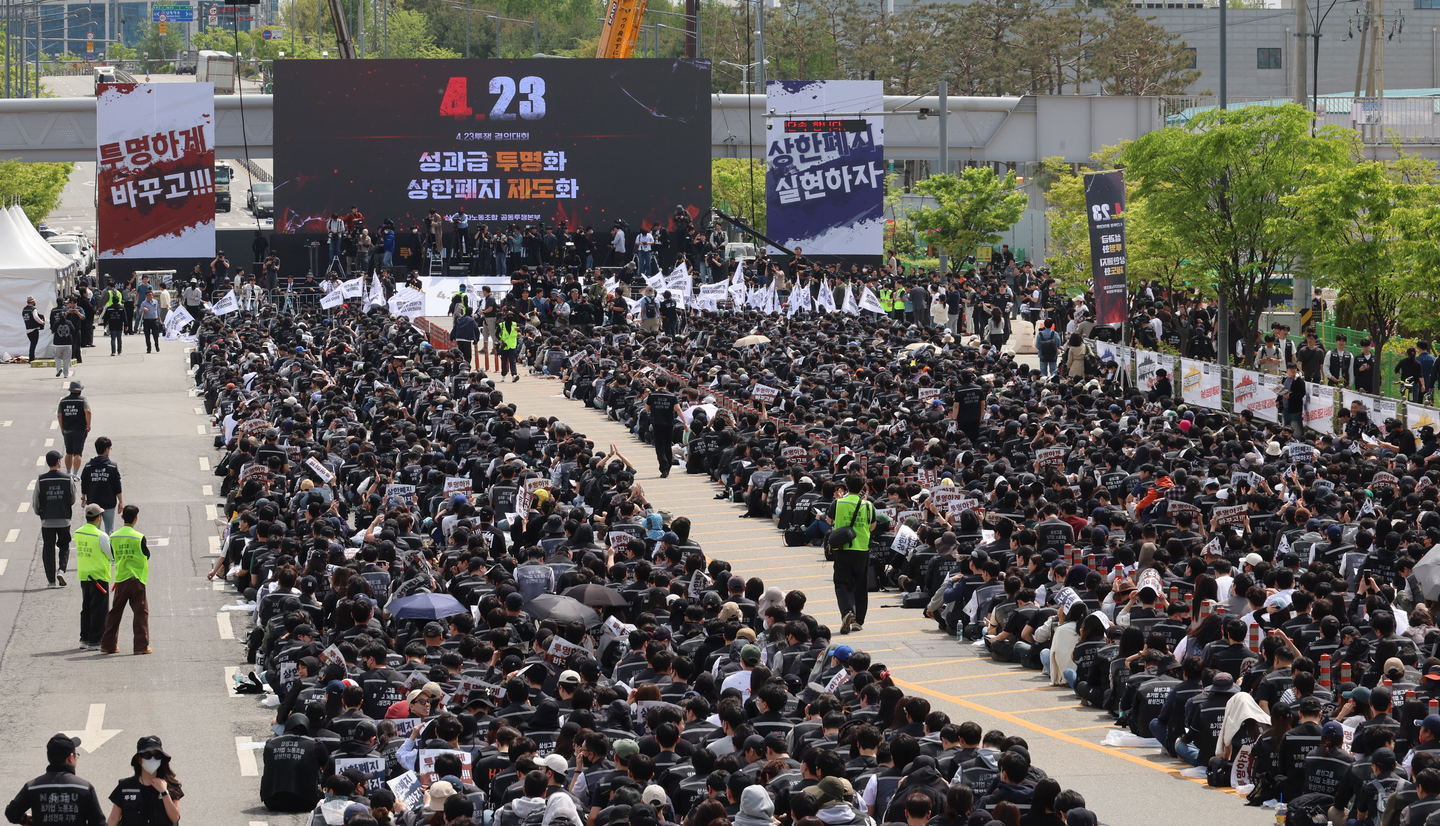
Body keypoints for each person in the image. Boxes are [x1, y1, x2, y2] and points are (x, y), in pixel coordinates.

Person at [4, 733, 106, 826]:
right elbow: (98, 823)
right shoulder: (84, 787)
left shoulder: (32, 787)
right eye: (76, 754)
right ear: (71, 757)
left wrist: (26, 819)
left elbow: (11, 813)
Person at [828, 474, 877, 635]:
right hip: (862, 549)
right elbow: (872, 526)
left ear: (847, 487)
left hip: (842, 549)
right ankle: (858, 621)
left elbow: (829, 520)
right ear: (863, 487)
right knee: (861, 586)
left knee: (842, 584)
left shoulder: (838, 503)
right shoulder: (868, 505)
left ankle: (847, 611)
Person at [100, 505, 150, 656]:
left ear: (122, 518)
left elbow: (113, 554)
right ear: (136, 518)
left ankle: (108, 645)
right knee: (141, 613)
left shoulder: (113, 536)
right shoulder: (139, 537)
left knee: (115, 612)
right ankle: (141, 647)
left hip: (121, 578)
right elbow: (146, 555)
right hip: (137, 579)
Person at [105, 736, 180, 826]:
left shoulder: (171, 785)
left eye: (157, 756)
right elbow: (113, 819)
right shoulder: (125, 786)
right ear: (139, 759)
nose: (153, 759)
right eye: (147, 755)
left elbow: (175, 817)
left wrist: (164, 792)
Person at [74, 503, 113, 651]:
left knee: (86, 607)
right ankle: (95, 640)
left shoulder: (78, 532)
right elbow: (110, 554)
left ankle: (84, 639)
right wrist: (110, 541)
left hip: (84, 575)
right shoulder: (101, 535)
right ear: (98, 518)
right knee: (99, 609)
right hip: (99, 576)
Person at [34, 450, 75, 589]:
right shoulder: (67, 478)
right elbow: (72, 498)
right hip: (64, 519)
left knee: (48, 549)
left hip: (47, 520)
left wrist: (40, 513)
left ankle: (51, 581)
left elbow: (35, 501)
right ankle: (61, 570)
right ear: (58, 461)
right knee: (64, 545)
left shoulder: (41, 479)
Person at [81, 437, 123, 535]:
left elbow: (84, 483)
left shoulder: (88, 466)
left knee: (95, 530)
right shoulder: (112, 467)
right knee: (109, 529)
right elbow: (117, 485)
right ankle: (108, 548)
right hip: (109, 503)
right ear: (107, 449)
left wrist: (83, 498)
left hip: (93, 504)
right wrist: (121, 501)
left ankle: (97, 548)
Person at [646, 378, 681, 479]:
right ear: (666, 384)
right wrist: (685, 422)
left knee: (659, 446)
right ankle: (668, 466)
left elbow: (647, 409)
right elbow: (678, 409)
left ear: (656, 384)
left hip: (657, 423)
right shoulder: (672, 396)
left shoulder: (652, 395)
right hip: (669, 424)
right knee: (667, 445)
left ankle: (664, 467)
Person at [58, 381, 91, 480]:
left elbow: (59, 415)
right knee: (78, 452)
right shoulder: (83, 400)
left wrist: (62, 427)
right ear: (80, 390)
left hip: (67, 429)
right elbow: (88, 411)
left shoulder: (63, 401)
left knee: (69, 452)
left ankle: (68, 473)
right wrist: (88, 424)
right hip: (80, 429)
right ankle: (75, 474)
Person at [51, 299, 79, 378]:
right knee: (67, 359)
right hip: (68, 343)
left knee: (57, 357)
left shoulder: (56, 323)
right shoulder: (69, 322)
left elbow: (53, 332)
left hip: (58, 344)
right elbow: (73, 331)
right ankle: (66, 374)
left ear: (59, 317)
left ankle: (59, 368)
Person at [497, 312, 521, 381]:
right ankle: (503, 376)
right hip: (504, 346)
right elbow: (497, 334)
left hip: (512, 346)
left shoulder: (515, 324)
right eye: (509, 316)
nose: (510, 317)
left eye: (512, 316)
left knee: (512, 361)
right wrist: (500, 339)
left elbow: (523, 326)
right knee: (504, 362)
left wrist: (519, 328)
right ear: (506, 317)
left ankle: (514, 375)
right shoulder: (502, 325)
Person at [22, 295, 44, 362]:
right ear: (32, 302)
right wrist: (42, 322)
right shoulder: (33, 309)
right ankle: (31, 358)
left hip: (28, 329)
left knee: (32, 343)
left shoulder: (24, 309)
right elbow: (36, 317)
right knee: (33, 344)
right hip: (34, 329)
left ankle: (32, 357)